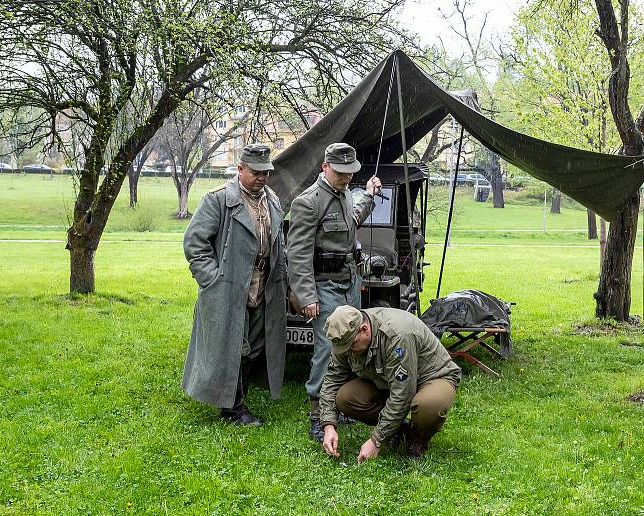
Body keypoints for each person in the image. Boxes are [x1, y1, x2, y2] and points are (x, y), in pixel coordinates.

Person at [181, 143, 287, 426]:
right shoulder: (217, 200)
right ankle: (233, 409)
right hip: (228, 287)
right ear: (240, 169)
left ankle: (238, 401)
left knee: (255, 344)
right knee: (231, 345)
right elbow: (195, 244)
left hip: (263, 284)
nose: (262, 177)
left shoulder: (272, 199)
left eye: (266, 172)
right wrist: (213, 279)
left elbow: (279, 244)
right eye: (256, 172)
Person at [287, 142, 382, 441]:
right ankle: (318, 413)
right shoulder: (308, 202)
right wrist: (306, 296)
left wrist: (368, 195)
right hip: (323, 286)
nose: (345, 178)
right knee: (327, 349)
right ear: (325, 167)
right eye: (340, 172)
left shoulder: (343, 196)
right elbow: (297, 254)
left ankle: (340, 404)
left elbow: (350, 222)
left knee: (352, 344)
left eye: (349, 173)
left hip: (349, 282)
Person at [319, 305, 462, 461]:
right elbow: (333, 379)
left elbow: (402, 394)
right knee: (346, 398)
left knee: (428, 406)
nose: (347, 352)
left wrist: (376, 440)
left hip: (432, 376)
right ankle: (401, 430)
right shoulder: (345, 338)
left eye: (351, 346)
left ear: (365, 329)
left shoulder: (397, 335)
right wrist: (329, 426)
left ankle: (419, 438)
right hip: (387, 380)